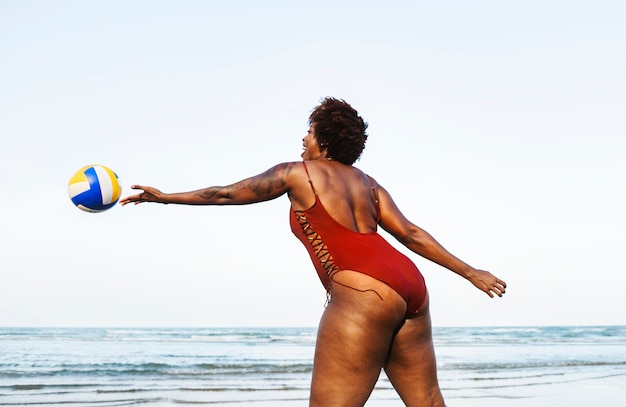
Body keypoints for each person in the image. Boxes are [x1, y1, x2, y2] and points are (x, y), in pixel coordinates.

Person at [120, 97, 507, 407]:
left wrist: (167, 198)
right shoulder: (370, 185)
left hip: (363, 290)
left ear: (322, 139)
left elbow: (226, 194)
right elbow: (410, 233)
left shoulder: (296, 173)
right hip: (410, 286)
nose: (302, 140)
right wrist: (471, 272)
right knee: (427, 402)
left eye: (308, 132)